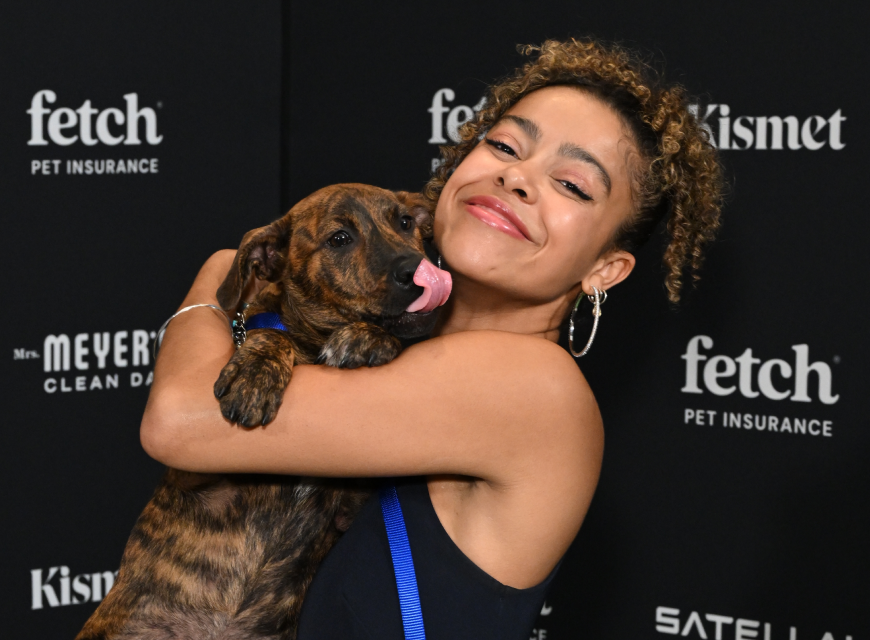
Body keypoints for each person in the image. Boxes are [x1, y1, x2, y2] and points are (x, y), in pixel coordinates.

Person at [140, 38, 724, 639]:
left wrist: (216, 277)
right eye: (503, 145)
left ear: (606, 269)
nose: (517, 176)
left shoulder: (535, 388)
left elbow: (179, 422)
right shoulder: (398, 350)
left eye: (573, 184)